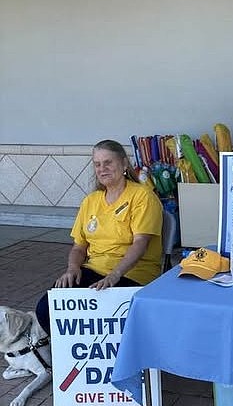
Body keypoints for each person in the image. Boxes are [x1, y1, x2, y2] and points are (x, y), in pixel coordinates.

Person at [36, 139, 163, 335]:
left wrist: (114, 275)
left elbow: (140, 243)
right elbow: (79, 247)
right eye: (97, 164)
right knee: (46, 310)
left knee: (99, 316)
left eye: (108, 162)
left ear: (123, 163)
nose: (102, 168)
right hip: (94, 270)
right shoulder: (91, 201)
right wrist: (72, 268)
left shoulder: (142, 196)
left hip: (132, 274)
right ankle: (73, 359)